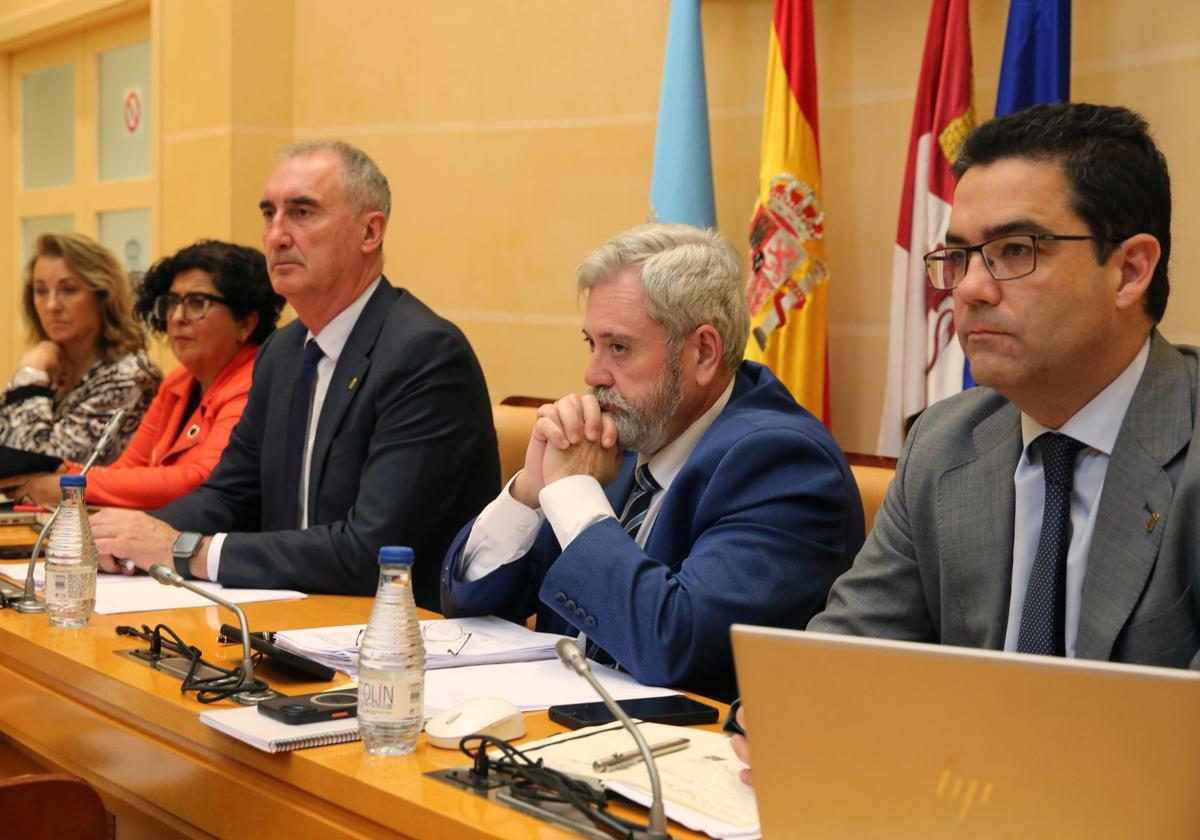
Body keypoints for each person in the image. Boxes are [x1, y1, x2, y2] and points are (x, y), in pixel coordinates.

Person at [734, 102, 1200, 779]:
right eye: (957, 256)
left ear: (1129, 270)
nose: (971, 289)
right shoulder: (947, 443)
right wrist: (791, 710)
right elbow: (842, 665)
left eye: (1017, 251)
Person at [440, 224, 864, 701]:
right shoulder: (620, 440)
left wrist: (573, 496)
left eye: (618, 347)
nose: (592, 374)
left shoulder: (782, 465)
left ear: (703, 352)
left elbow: (672, 643)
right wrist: (531, 493)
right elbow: (469, 606)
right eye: (591, 344)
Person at [89, 141, 499, 608]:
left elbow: (371, 552)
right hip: (290, 616)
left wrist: (188, 551)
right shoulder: (282, 352)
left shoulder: (424, 355)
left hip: (400, 637)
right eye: (269, 214)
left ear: (370, 231)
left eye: (302, 213)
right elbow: (227, 496)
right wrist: (126, 541)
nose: (277, 235)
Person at [3, 241, 285, 510]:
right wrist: (68, 475)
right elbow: (127, 469)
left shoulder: (254, 382)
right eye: (172, 302)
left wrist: (68, 484)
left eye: (197, 303)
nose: (176, 317)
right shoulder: (179, 383)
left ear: (245, 324)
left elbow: (202, 480)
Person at [0, 233, 160, 464]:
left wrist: (31, 371)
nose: (52, 305)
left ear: (102, 297)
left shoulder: (130, 377)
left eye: (68, 290)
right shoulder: (51, 365)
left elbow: (42, 467)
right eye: (41, 291)